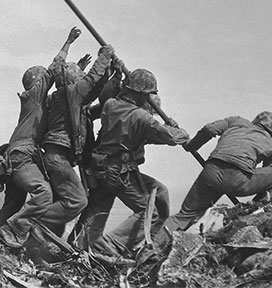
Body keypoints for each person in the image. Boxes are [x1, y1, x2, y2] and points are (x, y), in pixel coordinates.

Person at [77, 69, 190, 257]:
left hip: (99, 168)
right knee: (149, 212)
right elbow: (171, 137)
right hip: (118, 172)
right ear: (140, 94)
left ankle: (80, 246)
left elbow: (138, 133)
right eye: (147, 95)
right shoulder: (141, 117)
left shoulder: (111, 105)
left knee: (158, 192)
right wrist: (180, 131)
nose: (148, 99)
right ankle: (114, 244)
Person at [0, 27, 81, 247]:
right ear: (37, 82)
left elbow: (61, 85)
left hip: (17, 156)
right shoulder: (34, 96)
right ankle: (14, 232)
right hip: (22, 156)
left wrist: (77, 72)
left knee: (12, 205)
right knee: (43, 193)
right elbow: (54, 68)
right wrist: (68, 42)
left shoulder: (37, 103)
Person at [157, 111, 272, 239]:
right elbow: (268, 177)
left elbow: (209, 129)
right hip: (238, 180)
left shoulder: (236, 121)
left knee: (183, 217)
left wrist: (192, 146)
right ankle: (254, 213)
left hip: (211, 173)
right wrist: (255, 204)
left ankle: (152, 246)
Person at [37, 42, 116, 234]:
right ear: (74, 81)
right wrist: (105, 55)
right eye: (80, 78)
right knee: (77, 200)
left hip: (56, 156)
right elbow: (92, 80)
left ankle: (43, 241)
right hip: (58, 157)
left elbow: (94, 90)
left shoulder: (64, 98)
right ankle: (31, 223)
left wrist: (112, 74)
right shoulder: (72, 94)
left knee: (62, 203)